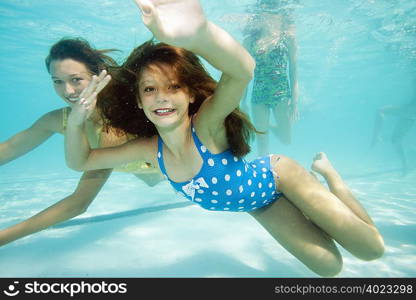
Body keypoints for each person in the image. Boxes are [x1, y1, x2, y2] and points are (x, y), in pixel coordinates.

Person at [64, 0, 384, 276]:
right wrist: (77, 123)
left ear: (189, 94)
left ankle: (331, 178)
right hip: (260, 206)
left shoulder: (205, 126)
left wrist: (201, 34)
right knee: (330, 267)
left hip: (278, 177)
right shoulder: (151, 149)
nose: (162, 98)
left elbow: (243, 70)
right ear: (138, 99)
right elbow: (81, 161)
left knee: (371, 251)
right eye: (150, 89)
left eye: (173, 86)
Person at [0, 38, 163, 247]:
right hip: (133, 166)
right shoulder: (59, 119)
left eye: (75, 79)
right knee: (148, 181)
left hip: (157, 167)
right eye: (57, 81)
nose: (67, 91)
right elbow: (11, 147)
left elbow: (77, 204)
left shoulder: (112, 128)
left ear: (98, 77)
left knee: (157, 178)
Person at [242, 0, 299, 156]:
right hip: (258, 95)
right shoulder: (250, 41)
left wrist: (294, 100)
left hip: (281, 95)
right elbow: (245, 72)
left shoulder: (287, 38)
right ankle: (264, 174)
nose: (271, 17)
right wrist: (243, 100)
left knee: (286, 139)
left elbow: (293, 71)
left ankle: (270, 126)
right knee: (262, 142)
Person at [371, 97, 416, 176]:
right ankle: (405, 165)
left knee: (395, 140)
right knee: (395, 140)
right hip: (408, 114)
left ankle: (405, 165)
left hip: (408, 113)